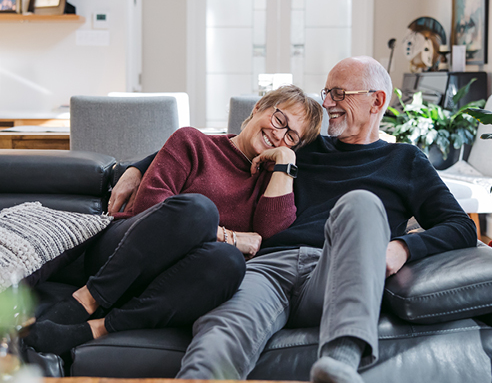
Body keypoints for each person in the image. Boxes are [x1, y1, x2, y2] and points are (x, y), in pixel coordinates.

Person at [109, 56, 477, 383]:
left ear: (376, 100)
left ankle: (340, 363)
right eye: (326, 92)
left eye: (338, 93)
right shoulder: (305, 143)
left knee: (361, 204)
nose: (327, 102)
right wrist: (134, 167)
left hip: (335, 270)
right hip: (267, 265)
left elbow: (460, 226)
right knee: (221, 337)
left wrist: (402, 247)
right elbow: (220, 145)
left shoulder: (406, 161)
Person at [25, 85, 324, 356]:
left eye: (291, 137)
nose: (279, 134)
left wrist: (284, 162)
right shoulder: (193, 142)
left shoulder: (274, 182)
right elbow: (150, 207)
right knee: (198, 210)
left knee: (228, 263)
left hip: (174, 284)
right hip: (124, 254)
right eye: (279, 120)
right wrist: (230, 236)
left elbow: (269, 235)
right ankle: (85, 301)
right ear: (258, 108)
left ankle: (96, 328)